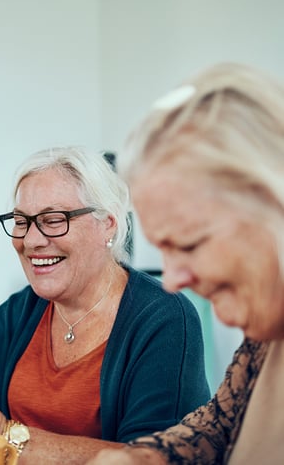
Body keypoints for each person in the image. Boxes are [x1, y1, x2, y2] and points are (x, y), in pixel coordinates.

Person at [0, 146, 210, 464]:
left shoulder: (163, 316)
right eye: (22, 221)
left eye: (54, 219)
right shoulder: (24, 310)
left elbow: (151, 458)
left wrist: (1, 430)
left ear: (107, 224)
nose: (32, 240)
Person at [86, 62, 284, 465]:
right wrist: (140, 459)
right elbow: (219, 427)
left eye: (189, 245)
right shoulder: (265, 339)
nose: (173, 281)